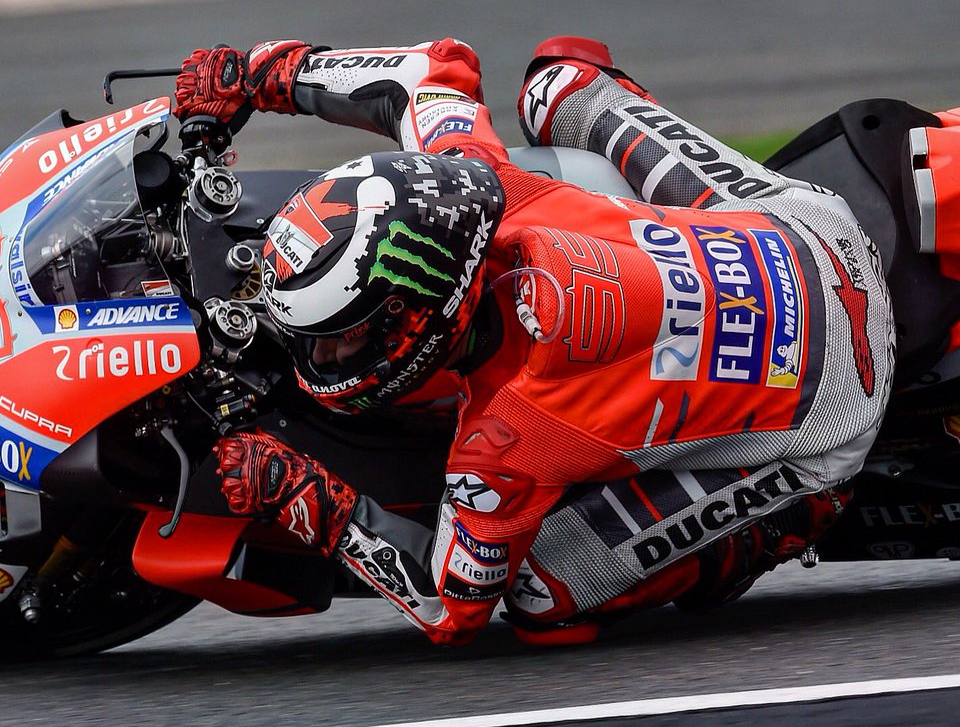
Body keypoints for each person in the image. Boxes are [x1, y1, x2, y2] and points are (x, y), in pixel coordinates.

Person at [172, 36, 895, 645]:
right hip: (813, 233)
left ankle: (783, 523)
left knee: (539, 595)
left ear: (421, 320)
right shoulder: (487, 185)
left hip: (836, 411)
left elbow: (450, 606)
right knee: (559, 81)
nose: (322, 358)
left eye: (341, 339)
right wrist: (261, 73)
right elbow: (431, 69)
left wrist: (302, 495)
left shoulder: (507, 441)